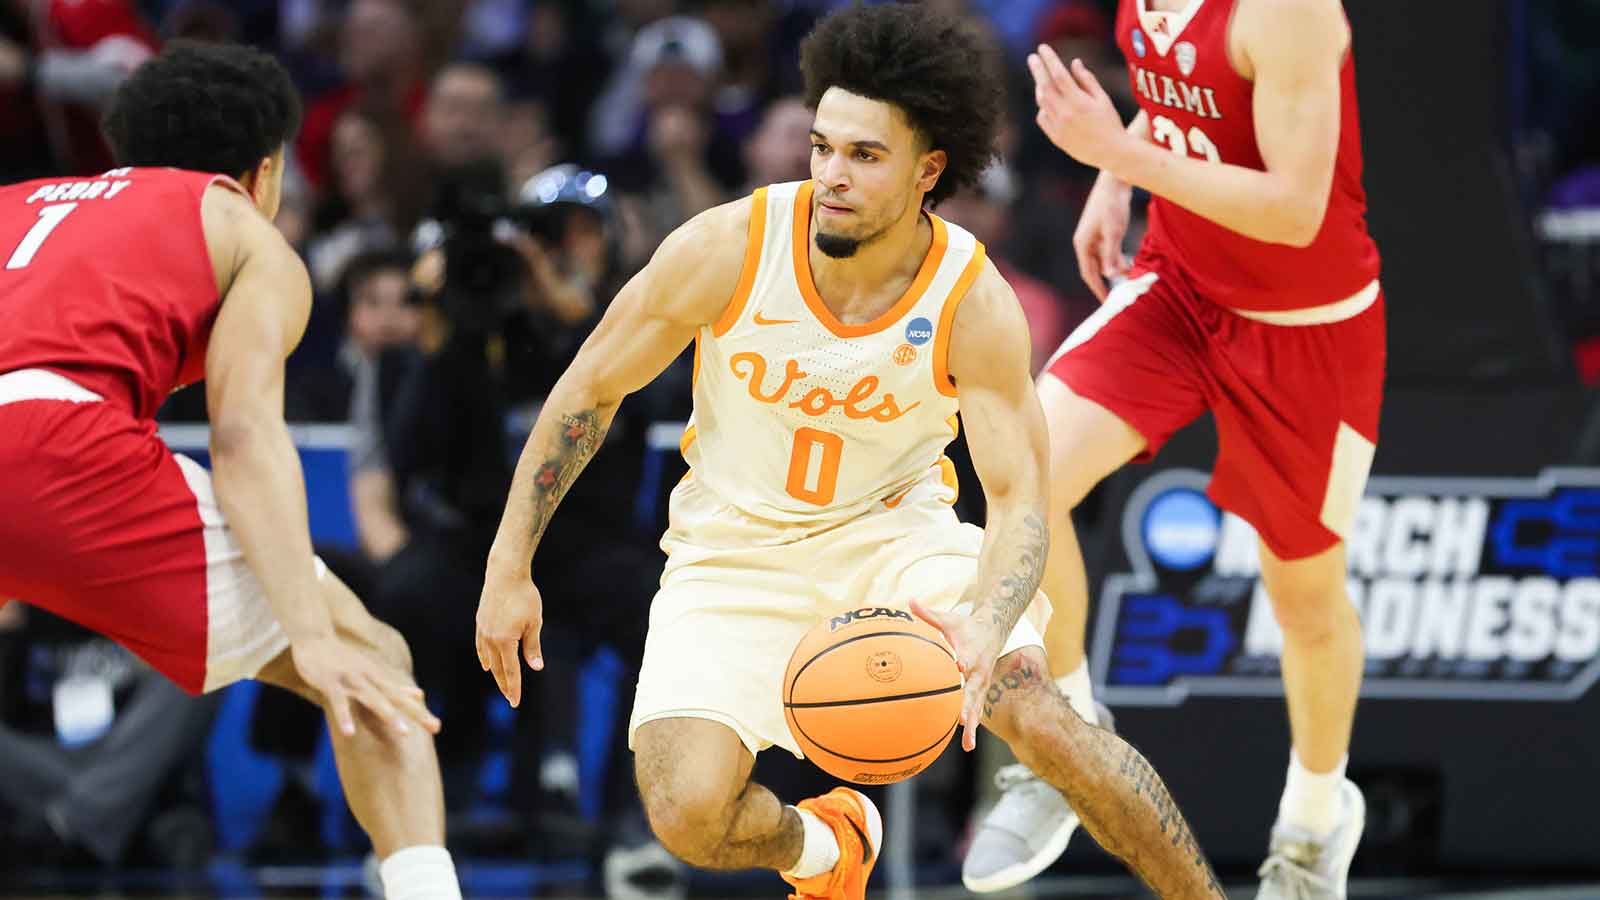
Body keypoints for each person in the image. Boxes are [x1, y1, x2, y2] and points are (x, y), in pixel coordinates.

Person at [474, 6, 1225, 900]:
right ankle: (825, 850)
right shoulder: (729, 246)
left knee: (1047, 722)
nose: (831, 174)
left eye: (864, 157)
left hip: (896, 543)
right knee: (685, 812)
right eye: (823, 147)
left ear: (927, 170)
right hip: (732, 557)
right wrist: (508, 561)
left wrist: (987, 620)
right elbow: (587, 393)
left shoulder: (969, 297)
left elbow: (1022, 495)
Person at [0, 42, 462, 900]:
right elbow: (244, 437)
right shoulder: (239, 226)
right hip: (58, 442)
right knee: (374, 662)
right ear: (266, 169)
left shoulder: (16, 206)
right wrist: (314, 635)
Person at [966, 1, 1383, 898]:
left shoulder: (1289, 11)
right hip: (1181, 290)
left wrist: (1117, 156)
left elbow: (1296, 209)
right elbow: (1192, 94)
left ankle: (1316, 819)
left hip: (1306, 331)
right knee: (1023, 470)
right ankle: (1065, 740)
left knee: (1304, 597)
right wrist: (1120, 183)